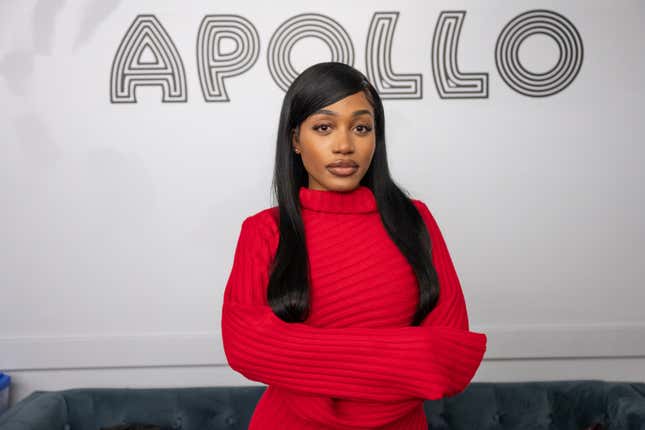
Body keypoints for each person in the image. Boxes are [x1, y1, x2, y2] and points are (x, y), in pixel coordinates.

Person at [221, 61, 487, 429]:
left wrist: (295, 350)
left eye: (361, 127)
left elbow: (451, 359)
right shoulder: (264, 231)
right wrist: (405, 355)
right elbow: (246, 346)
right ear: (296, 140)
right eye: (324, 127)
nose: (345, 145)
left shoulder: (414, 221)